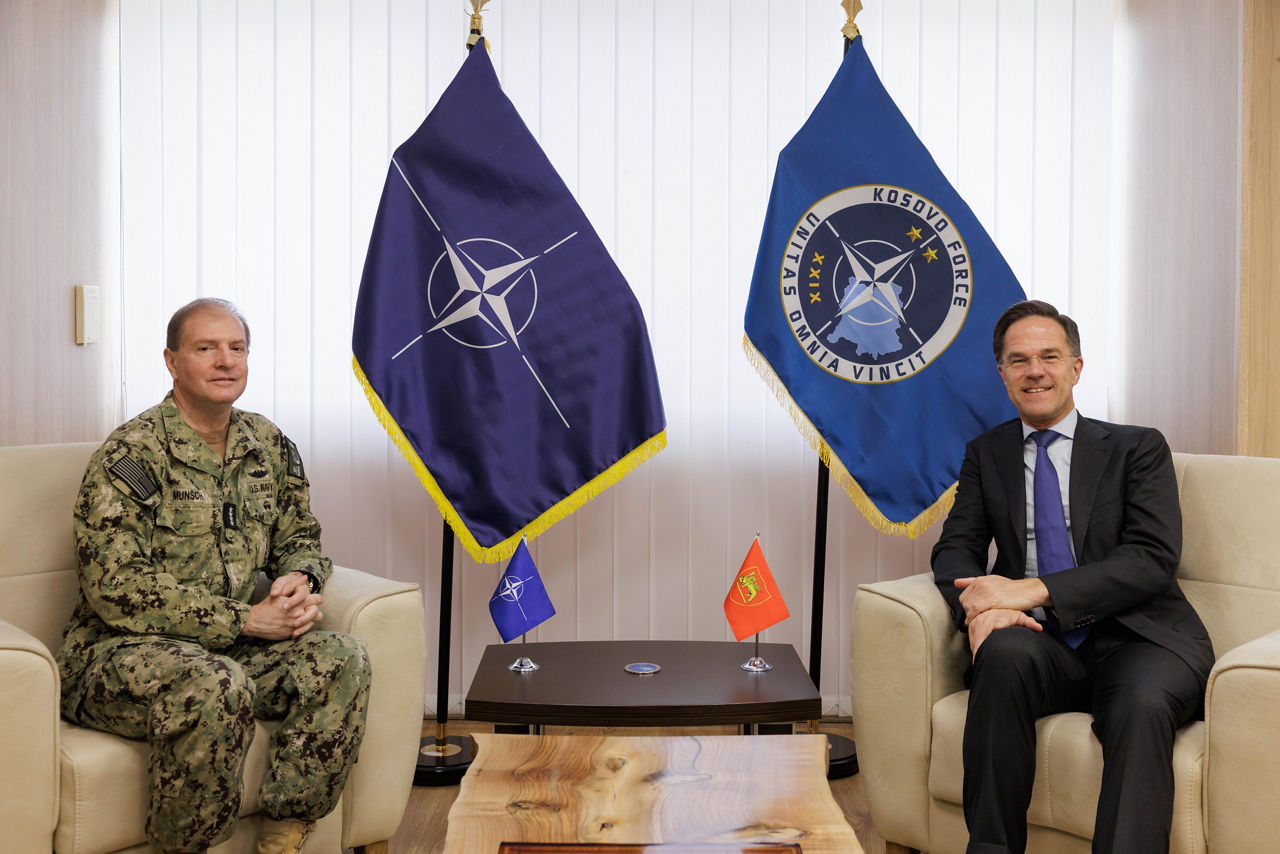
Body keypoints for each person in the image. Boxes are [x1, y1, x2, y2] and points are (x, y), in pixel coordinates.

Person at [56, 298, 371, 854]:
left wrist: (299, 579)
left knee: (341, 657)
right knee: (213, 686)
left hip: (227, 647)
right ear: (172, 362)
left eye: (237, 348)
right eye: (206, 348)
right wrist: (247, 618)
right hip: (119, 654)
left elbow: (300, 536)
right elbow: (116, 587)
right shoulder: (132, 454)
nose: (226, 361)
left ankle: (286, 833)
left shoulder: (267, 445)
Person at [931, 300, 1214, 854]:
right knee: (1002, 655)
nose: (1034, 370)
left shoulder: (1137, 448)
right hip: (1042, 642)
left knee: (1141, 704)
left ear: (1076, 367)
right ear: (1003, 374)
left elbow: (1153, 558)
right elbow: (955, 552)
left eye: (1049, 356)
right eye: (1019, 360)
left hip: (1141, 638)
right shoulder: (986, 455)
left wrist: (1031, 590)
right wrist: (985, 607)